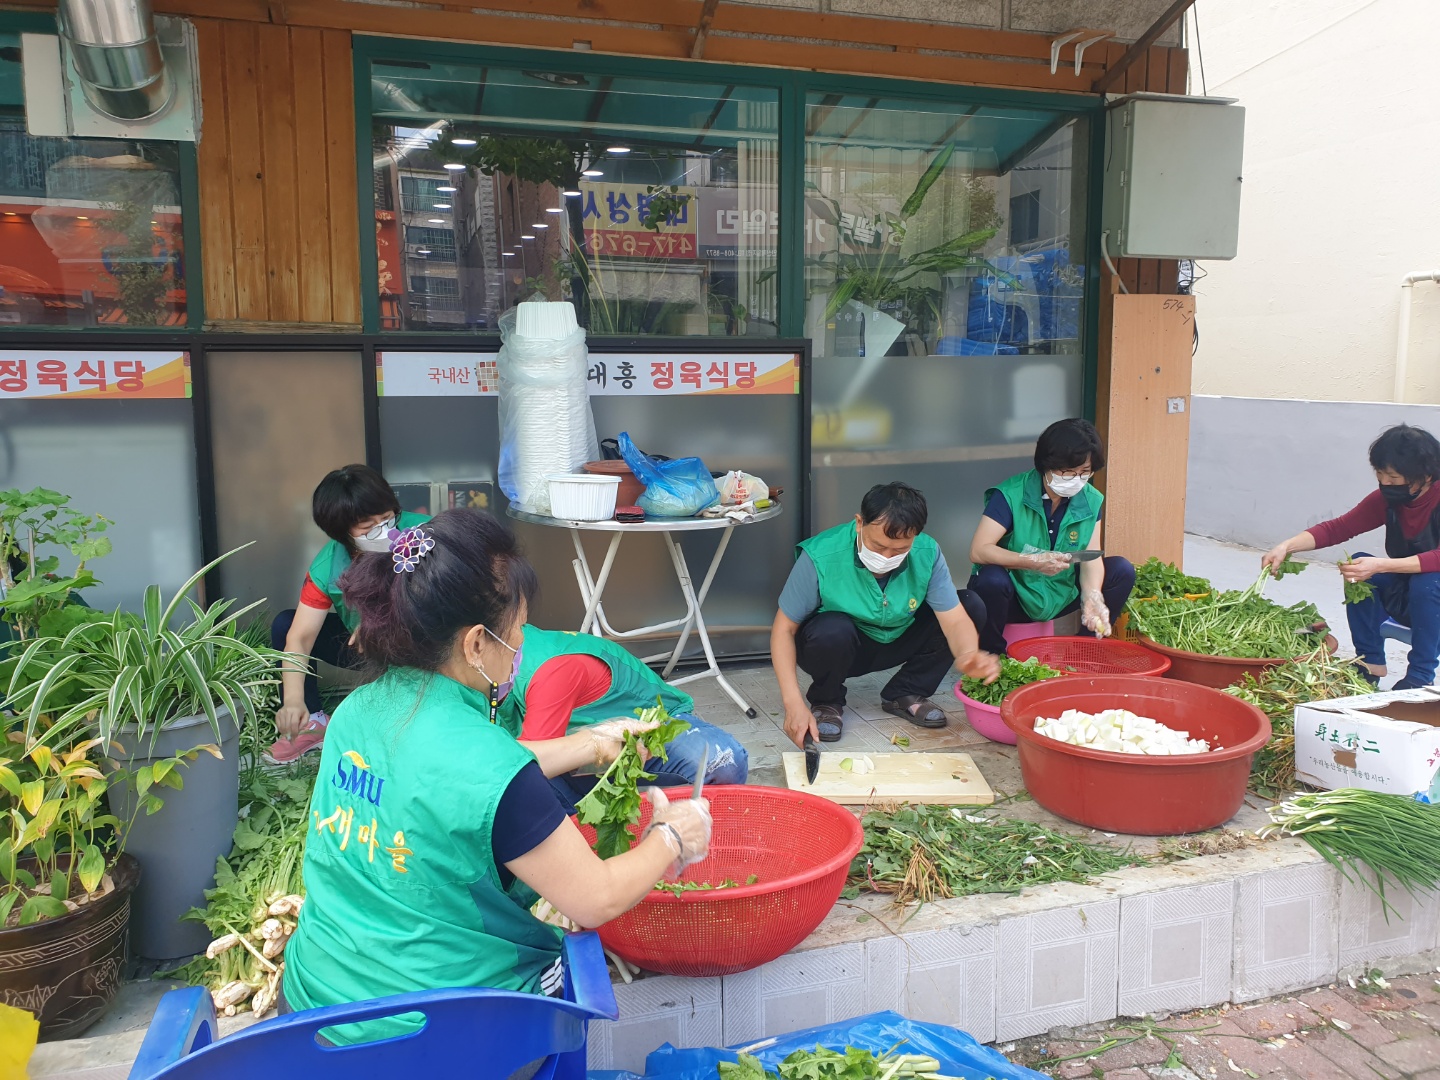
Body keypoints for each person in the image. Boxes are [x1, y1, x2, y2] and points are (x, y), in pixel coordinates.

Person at [282, 511, 711, 1041]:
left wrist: (591, 742)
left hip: (309, 1010)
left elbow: (458, 775)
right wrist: (672, 836)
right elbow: (595, 898)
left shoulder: (355, 713)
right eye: (516, 630)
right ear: (475, 644)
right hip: (436, 1040)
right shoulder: (489, 767)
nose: (521, 645)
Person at [771, 482, 999, 745]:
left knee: (970, 604)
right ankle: (827, 701)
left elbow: (955, 619)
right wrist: (792, 704)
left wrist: (968, 653)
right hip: (839, 646)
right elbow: (783, 630)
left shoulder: (927, 551)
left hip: (896, 638)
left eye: (900, 550)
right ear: (859, 523)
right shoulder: (821, 554)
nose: (887, 557)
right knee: (832, 629)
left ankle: (905, 692)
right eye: (878, 547)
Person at [267, 465, 429, 763]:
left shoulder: (428, 534)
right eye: (367, 526)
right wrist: (292, 701)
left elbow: (454, 597)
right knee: (286, 625)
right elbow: (300, 638)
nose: (383, 529)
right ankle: (311, 724)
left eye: (387, 518)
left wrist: (383, 621)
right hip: (367, 649)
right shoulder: (328, 565)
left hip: (427, 646)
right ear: (342, 533)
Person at [1262, 424, 1440, 689]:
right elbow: (1338, 528)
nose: (1385, 483)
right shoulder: (1388, 500)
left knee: (1427, 581)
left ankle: (1420, 675)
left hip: (1431, 594)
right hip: (1414, 595)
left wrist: (1382, 564)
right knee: (1358, 567)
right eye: (1380, 474)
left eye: (1393, 477)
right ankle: (1370, 661)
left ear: (1425, 475)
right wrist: (1287, 546)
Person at [498, 627, 748, 812]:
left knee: (721, 762)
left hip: (646, 729)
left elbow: (526, 763)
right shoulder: (493, 668)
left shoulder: (549, 669)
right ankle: (580, 835)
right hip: (578, 749)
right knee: (528, 788)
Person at [967, 418, 1135, 654]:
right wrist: (1032, 561)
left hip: (1059, 592)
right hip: (1014, 596)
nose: (1075, 480)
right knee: (991, 579)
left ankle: (1082, 653)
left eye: (1084, 472)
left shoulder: (1090, 499)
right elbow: (979, 550)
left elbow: (1090, 558)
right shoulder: (1011, 494)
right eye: (1067, 472)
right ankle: (992, 657)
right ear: (1046, 464)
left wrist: (1092, 595)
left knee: (1121, 570)